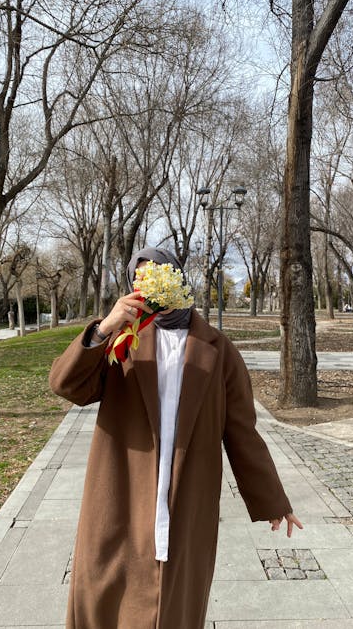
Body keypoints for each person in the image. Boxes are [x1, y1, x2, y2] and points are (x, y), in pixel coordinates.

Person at [49, 247, 302, 629]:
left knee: (176, 606)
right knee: (108, 599)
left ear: (179, 279)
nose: (152, 288)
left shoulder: (219, 351)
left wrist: (272, 499)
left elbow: (241, 430)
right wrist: (104, 328)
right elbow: (66, 386)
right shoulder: (122, 341)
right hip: (122, 495)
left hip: (186, 499)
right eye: (142, 281)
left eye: (160, 277)